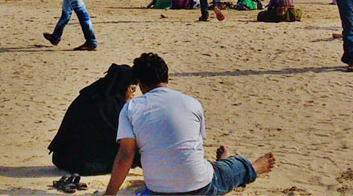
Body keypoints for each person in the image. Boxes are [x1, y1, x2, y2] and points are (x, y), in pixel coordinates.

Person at [104, 53, 275, 196]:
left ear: (140, 84)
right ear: (168, 78)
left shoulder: (131, 107)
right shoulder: (192, 103)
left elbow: (126, 155)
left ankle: (223, 164)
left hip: (158, 191)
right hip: (201, 187)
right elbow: (190, 146)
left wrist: (110, 194)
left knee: (215, 167)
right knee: (236, 165)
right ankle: (254, 167)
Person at [49, 64, 138, 176]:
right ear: (124, 87)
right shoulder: (112, 106)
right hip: (83, 164)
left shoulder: (91, 93)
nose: (132, 95)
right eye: (132, 89)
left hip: (61, 157)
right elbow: (125, 141)